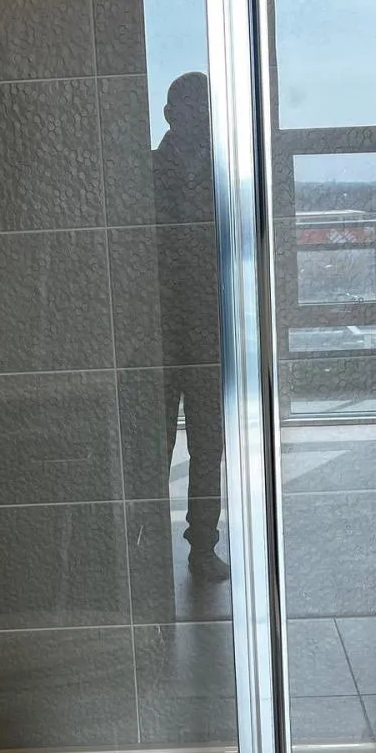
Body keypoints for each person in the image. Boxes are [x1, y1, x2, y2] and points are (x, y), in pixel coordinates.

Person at [152, 72, 228, 582]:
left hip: (204, 327)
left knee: (207, 444)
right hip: (160, 327)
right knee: (154, 444)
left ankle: (202, 545)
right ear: (170, 114)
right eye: (192, 108)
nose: (200, 118)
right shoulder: (148, 171)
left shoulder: (223, 171)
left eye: (205, 109)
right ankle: (149, 546)